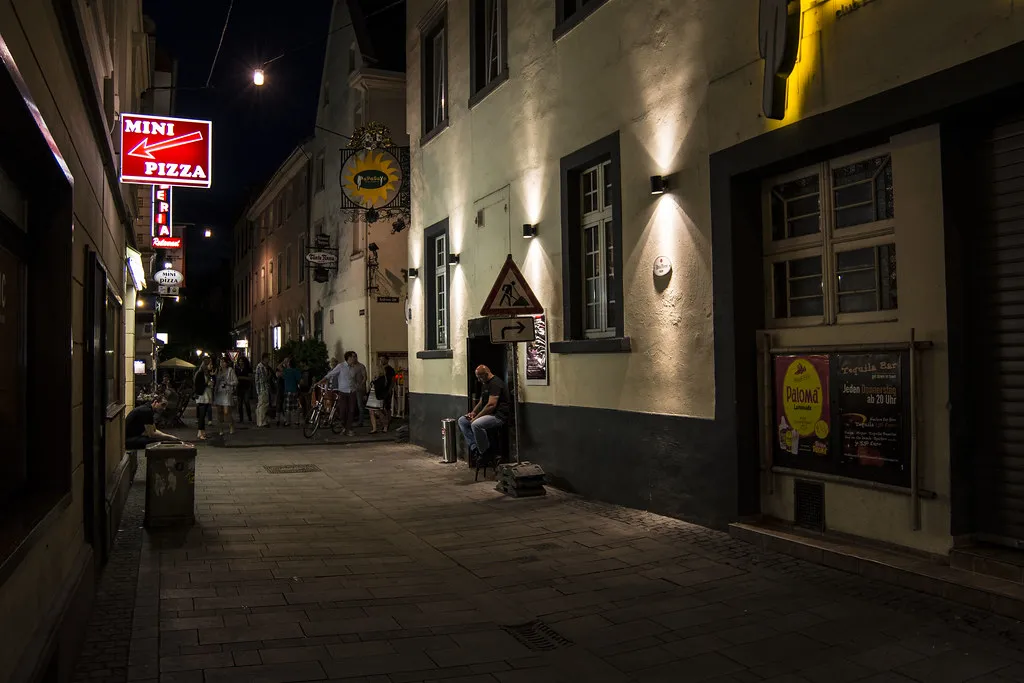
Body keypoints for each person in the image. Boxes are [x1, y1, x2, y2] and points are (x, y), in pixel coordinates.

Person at [458, 365, 510, 462]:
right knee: (462, 421)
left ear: (486, 374)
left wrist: (476, 418)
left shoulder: (496, 384)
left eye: (480, 377)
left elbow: (491, 405)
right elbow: (482, 402)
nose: (478, 380)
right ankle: (475, 447)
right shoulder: (485, 383)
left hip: (498, 416)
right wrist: (473, 413)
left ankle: (485, 453)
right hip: (488, 415)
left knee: (476, 424)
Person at [319, 352, 357, 436]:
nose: (355, 358)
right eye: (354, 357)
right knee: (342, 411)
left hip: (352, 391)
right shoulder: (341, 366)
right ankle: (344, 427)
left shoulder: (353, 368)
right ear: (349, 358)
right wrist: (321, 381)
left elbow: (354, 380)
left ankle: (349, 429)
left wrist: (357, 386)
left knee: (351, 411)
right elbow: (330, 374)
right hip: (343, 392)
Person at [213, 356, 237, 436]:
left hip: (227, 393)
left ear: (227, 363)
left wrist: (228, 383)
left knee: (226, 412)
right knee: (219, 412)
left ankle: (231, 425)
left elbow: (235, 381)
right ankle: (221, 429)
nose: (222, 364)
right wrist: (214, 392)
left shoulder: (230, 370)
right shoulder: (218, 371)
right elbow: (216, 383)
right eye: (221, 362)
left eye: (224, 362)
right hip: (219, 392)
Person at [277, 356, 303, 427]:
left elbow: (278, 367)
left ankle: (288, 422)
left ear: (289, 364)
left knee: (287, 407)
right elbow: (301, 381)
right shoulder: (296, 371)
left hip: (287, 391)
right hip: (295, 391)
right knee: (296, 407)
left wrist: (284, 361)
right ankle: (297, 421)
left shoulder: (286, 371)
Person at [193, 357, 215, 440]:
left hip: (207, 395)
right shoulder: (200, 373)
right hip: (202, 396)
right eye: (210, 364)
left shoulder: (207, 373)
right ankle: (200, 432)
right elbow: (197, 385)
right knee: (201, 415)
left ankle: (203, 432)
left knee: (203, 414)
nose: (211, 366)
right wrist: (207, 384)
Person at [254, 352, 272, 428]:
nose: (269, 360)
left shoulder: (260, 366)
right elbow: (264, 378)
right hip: (263, 388)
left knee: (260, 405)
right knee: (263, 405)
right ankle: (262, 422)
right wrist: (269, 376)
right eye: (268, 358)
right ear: (265, 358)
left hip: (261, 388)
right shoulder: (261, 367)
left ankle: (259, 422)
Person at [351, 352, 368, 427]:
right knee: (352, 405)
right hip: (351, 389)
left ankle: (361, 421)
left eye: (354, 357)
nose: (353, 358)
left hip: (359, 389)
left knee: (360, 405)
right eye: (351, 357)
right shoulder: (350, 366)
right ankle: (352, 419)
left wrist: (361, 385)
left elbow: (365, 377)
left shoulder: (361, 366)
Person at [235, 355, 253, 424]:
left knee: (247, 402)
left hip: (246, 387)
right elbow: (235, 377)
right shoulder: (237, 368)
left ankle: (249, 417)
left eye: (242, 361)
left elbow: (250, 378)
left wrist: (241, 377)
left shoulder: (248, 368)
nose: (240, 362)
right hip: (239, 388)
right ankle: (241, 418)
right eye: (239, 361)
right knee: (239, 404)